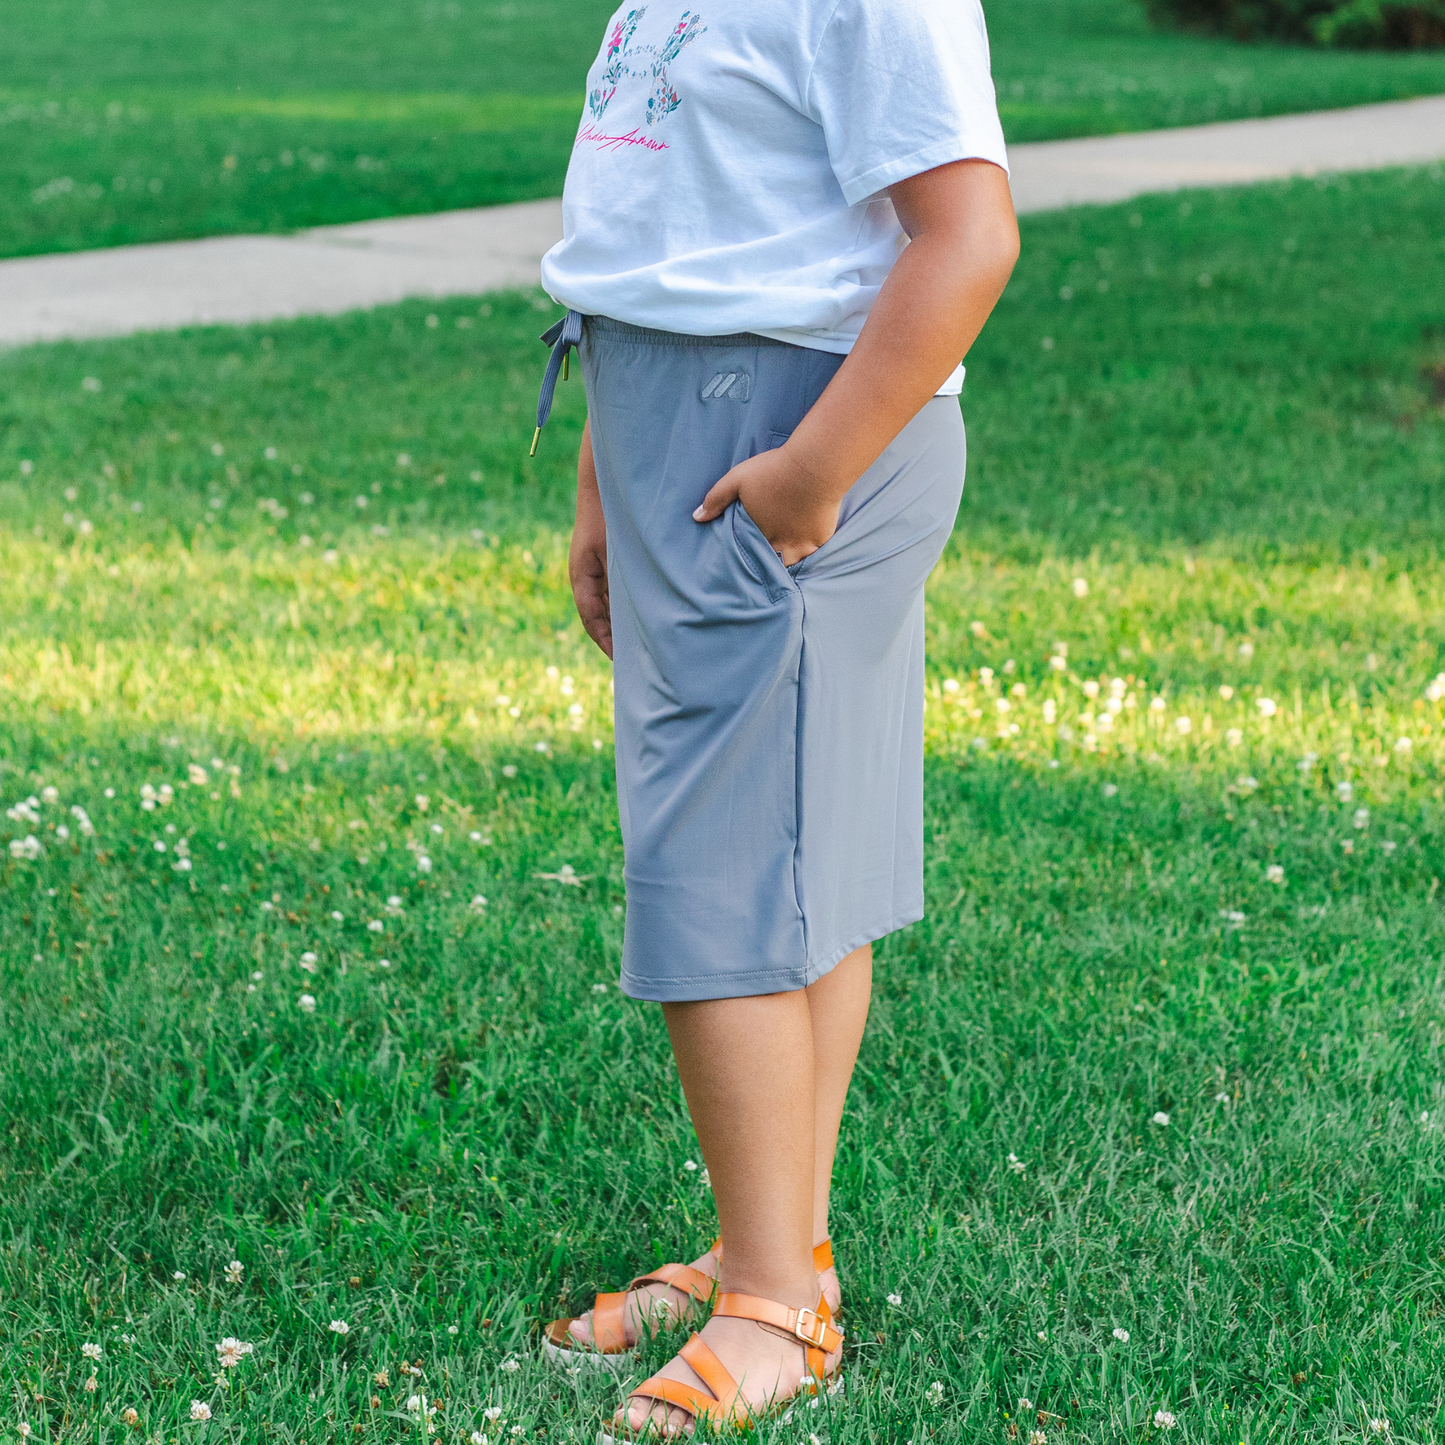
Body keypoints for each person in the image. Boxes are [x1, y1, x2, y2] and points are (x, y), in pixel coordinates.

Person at [532, 0, 1019, 1436]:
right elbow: (662, 242)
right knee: (795, 867)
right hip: (693, 428)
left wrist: (811, 470)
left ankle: (771, 1315)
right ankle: (775, 1250)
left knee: (723, 868)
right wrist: (606, 471)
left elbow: (969, 236)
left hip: (789, 435)